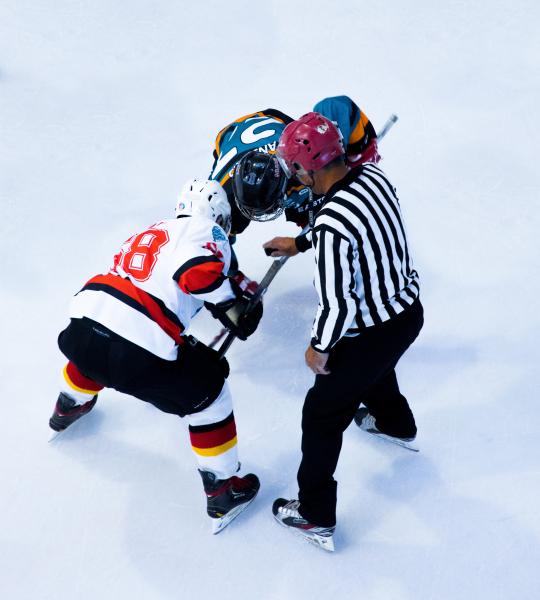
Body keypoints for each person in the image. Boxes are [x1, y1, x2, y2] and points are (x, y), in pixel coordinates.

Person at [49, 179, 263, 534]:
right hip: (135, 347)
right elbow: (195, 273)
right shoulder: (206, 229)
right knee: (212, 398)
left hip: (85, 323)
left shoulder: (156, 228)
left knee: (99, 350)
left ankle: (68, 404)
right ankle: (223, 490)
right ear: (219, 216)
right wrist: (232, 305)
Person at [270, 113, 424, 552]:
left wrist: (318, 349)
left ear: (311, 168)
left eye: (296, 167)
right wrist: (299, 242)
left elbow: (339, 306)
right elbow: (352, 229)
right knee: (375, 366)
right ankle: (396, 425)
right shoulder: (371, 176)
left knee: (321, 414)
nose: (294, 175)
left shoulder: (333, 223)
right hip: (407, 313)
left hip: (371, 329)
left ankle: (315, 514)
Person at [208, 96, 379, 273]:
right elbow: (210, 240)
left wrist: (358, 154)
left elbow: (336, 106)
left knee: (330, 181)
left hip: (277, 131)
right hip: (234, 139)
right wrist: (231, 279)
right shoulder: (218, 199)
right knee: (222, 230)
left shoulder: (301, 157)